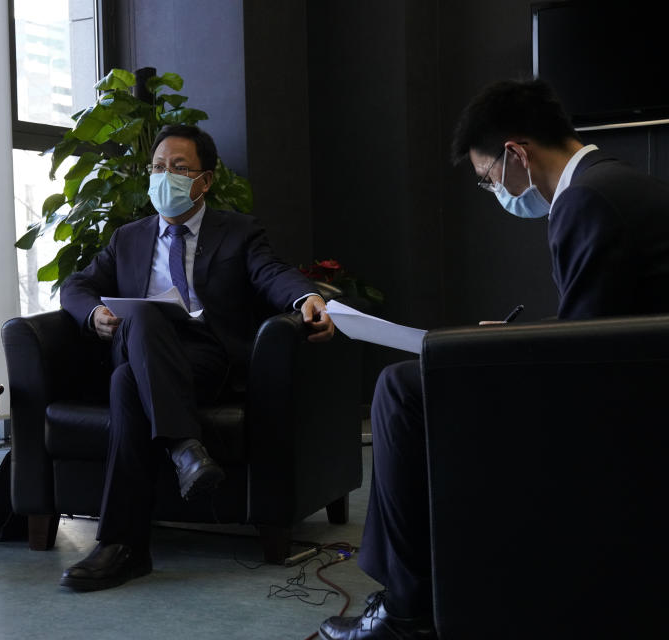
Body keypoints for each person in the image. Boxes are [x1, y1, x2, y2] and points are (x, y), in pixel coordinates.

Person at [318, 78, 669, 640]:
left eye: (487, 180)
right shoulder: (619, 184)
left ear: (516, 154)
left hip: (621, 415)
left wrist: (501, 354)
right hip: (638, 387)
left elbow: (591, 361)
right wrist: (511, 342)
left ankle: (406, 611)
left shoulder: (584, 201)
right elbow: (605, 325)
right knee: (424, 377)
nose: (495, 192)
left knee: (400, 389)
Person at [57, 124, 335, 592]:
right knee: (144, 320)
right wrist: (94, 315)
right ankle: (184, 447)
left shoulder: (238, 231)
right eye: (158, 167)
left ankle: (122, 548)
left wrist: (306, 296)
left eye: (179, 168)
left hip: (204, 359)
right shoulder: (127, 238)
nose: (166, 176)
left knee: (126, 385)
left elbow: (271, 274)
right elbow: (76, 285)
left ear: (205, 180)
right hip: (139, 343)